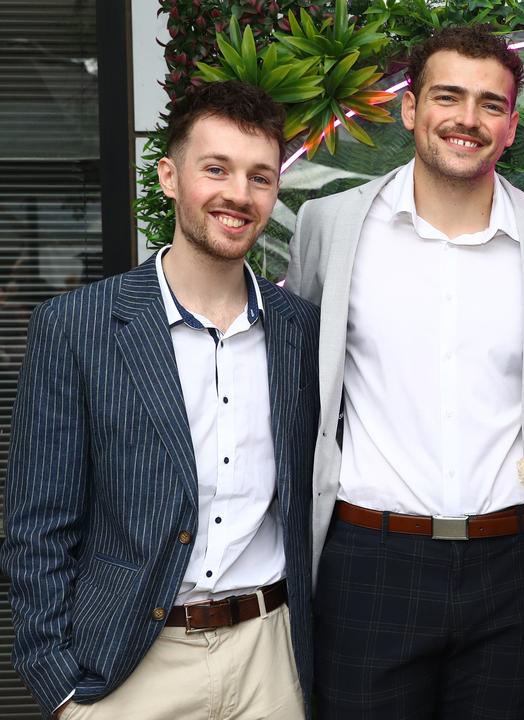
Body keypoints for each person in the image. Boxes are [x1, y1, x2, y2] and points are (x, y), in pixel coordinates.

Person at [286, 25, 524, 719]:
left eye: (490, 104)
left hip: (512, 566)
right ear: (410, 108)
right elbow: (301, 369)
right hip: (369, 560)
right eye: (447, 96)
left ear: (512, 126)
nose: (467, 119)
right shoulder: (329, 227)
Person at [0, 80, 320, 719]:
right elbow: (36, 524)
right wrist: (63, 691)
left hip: (272, 658)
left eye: (260, 176)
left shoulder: (302, 330)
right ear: (170, 175)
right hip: (131, 669)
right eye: (216, 169)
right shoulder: (78, 326)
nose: (239, 194)